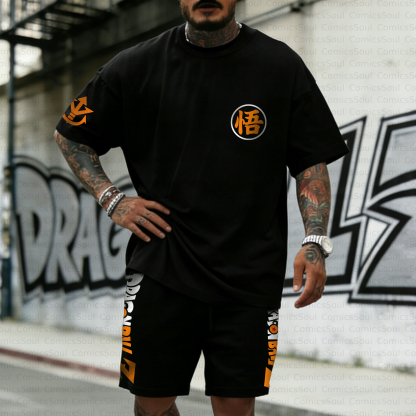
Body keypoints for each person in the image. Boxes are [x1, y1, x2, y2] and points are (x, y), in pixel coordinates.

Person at [54, 1, 349, 415]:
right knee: (152, 403)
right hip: (163, 266)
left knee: (235, 405)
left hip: (249, 273)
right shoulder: (135, 66)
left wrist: (315, 240)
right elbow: (70, 134)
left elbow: (310, 161)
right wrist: (112, 199)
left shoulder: (279, 65)